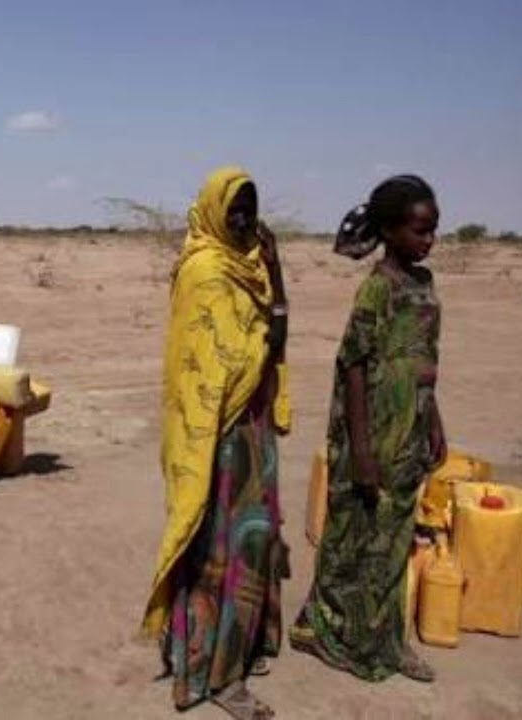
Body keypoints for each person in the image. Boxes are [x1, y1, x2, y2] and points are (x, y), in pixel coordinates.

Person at [142, 166, 292, 719]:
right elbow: (210, 365)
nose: (245, 219)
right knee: (212, 550)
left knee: (252, 545)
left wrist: (277, 270)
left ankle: (235, 651)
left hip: (252, 431)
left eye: (250, 208)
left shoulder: (252, 267)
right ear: (211, 209)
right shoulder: (203, 270)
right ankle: (208, 670)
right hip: (213, 437)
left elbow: (274, 339)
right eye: (234, 208)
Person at [289, 174, 446, 683]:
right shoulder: (378, 288)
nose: (429, 240)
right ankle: (326, 630)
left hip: (410, 430)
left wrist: (435, 421)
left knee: (396, 541)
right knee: (352, 537)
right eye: (420, 230)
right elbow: (354, 364)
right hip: (372, 432)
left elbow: (424, 361)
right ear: (391, 230)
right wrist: (360, 447)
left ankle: (385, 639)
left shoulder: (423, 285)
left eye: (433, 230)